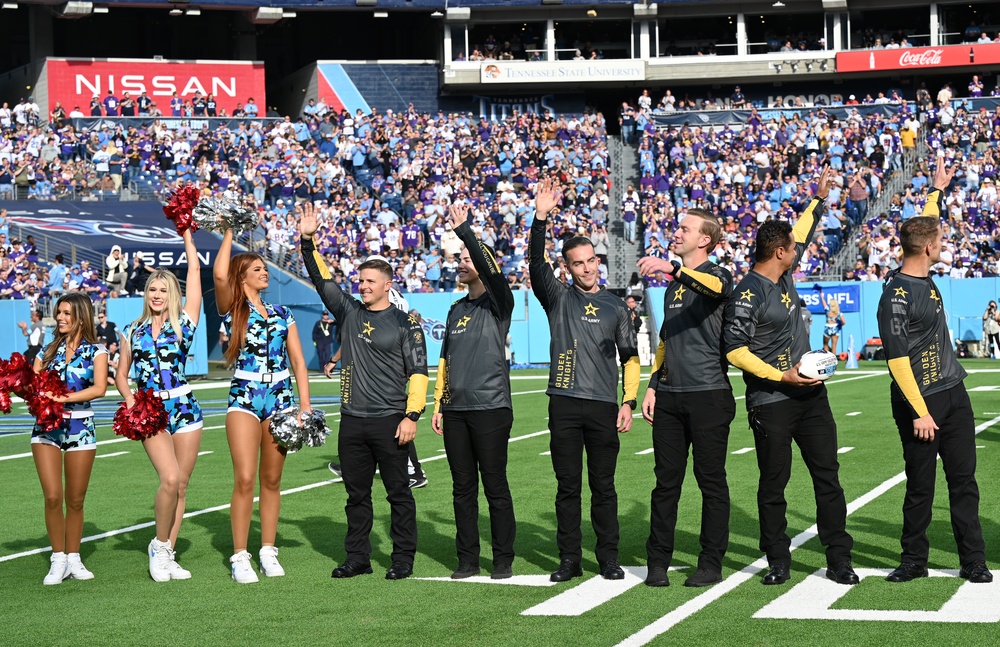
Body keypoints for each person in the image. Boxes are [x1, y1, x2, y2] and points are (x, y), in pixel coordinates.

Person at [723, 167, 859, 587]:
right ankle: (778, 560)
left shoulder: (783, 273)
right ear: (779, 252)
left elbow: (800, 231)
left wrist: (817, 201)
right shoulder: (747, 292)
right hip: (772, 401)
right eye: (792, 249)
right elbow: (733, 349)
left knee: (828, 479)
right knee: (774, 485)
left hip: (811, 396)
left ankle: (839, 558)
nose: (797, 252)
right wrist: (781, 377)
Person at [876, 161, 992, 584]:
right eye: (939, 240)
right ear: (928, 248)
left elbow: (925, 228)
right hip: (919, 402)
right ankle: (913, 561)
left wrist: (936, 193)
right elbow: (897, 360)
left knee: (964, 482)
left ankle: (973, 560)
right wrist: (920, 411)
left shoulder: (922, 273)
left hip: (954, 394)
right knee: (921, 486)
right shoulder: (896, 295)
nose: (942, 243)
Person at [299, 204, 428, 582]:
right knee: (356, 497)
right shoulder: (350, 313)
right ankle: (358, 557)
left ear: (388, 285)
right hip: (352, 421)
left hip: (391, 422)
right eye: (361, 280)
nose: (363, 286)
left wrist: (412, 415)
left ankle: (403, 558)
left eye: (371, 281)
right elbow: (322, 280)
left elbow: (419, 372)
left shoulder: (407, 324)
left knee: (399, 496)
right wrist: (308, 242)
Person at [529, 178, 640, 583]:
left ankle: (608, 559)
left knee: (604, 488)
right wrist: (540, 218)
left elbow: (630, 357)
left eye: (592, 260)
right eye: (579, 263)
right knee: (567, 488)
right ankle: (569, 559)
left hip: (603, 406)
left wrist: (628, 401)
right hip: (563, 402)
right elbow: (535, 266)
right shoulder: (558, 298)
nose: (588, 267)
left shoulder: (615, 304)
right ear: (568, 268)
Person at [637, 209, 735, 588]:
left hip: (709, 395)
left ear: (704, 240)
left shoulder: (716, 274)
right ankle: (657, 561)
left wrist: (671, 269)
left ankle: (710, 563)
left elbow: (716, 291)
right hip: (671, 397)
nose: (676, 233)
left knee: (711, 482)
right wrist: (652, 385)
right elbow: (666, 340)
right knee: (666, 484)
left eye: (684, 229)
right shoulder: (673, 287)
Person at [213, 228, 312, 584]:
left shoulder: (283, 311)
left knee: (272, 480)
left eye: (264, 268)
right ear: (242, 277)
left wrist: (304, 406)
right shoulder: (232, 308)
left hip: (281, 397)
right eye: (256, 269)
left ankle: (267, 550)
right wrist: (227, 231)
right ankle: (240, 555)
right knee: (244, 478)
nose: (264, 272)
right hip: (245, 394)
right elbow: (220, 274)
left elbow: (299, 362)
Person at [431, 203, 517, 580]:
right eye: (459, 259)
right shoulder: (454, 310)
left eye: (467, 258)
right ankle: (467, 559)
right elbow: (446, 361)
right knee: (461, 489)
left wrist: (466, 231)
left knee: (495, 486)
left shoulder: (499, 302)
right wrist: (438, 403)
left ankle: (503, 560)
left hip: (491, 407)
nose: (460, 263)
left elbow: (490, 270)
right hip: (455, 411)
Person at [115, 230, 203, 582]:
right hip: (151, 411)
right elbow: (122, 375)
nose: (157, 294)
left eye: (163, 290)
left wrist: (187, 239)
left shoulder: (184, 324)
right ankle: (158, 544)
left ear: (172, 295)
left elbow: (195, 277)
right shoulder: (132, 329)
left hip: (185, 408)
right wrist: (132, 402)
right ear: (145, 293)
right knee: (168, 478)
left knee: (181, 484)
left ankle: (167, 551)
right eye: (152, 289)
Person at [31, 292, 109, 585]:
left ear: (81, 316)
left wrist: (62, 396)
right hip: (46, 429)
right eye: (59, 313)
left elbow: (99, 388)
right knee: (53, 496)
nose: (60, 318)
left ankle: (74, 557)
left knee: (75, 500)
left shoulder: (97, 351)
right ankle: (58, 558)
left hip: (80, 427)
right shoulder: (46, 351)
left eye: (66, 313)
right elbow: (32, 384)